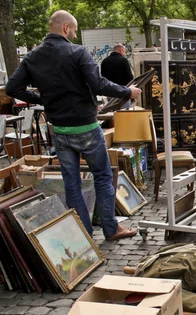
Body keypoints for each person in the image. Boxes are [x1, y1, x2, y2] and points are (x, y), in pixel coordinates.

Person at [6, 10, 141, 241]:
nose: (75, 35)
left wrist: (43, 99)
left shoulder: (32, 57)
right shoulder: (78, 52)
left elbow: (12, 89)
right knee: (102, 176)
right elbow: (98, 84)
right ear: (66, 28)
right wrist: (127, 91)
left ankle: (84, 235)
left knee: (72, 183)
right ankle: (111, 229)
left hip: (59, 129)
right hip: (86, 127)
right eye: (75, 30)